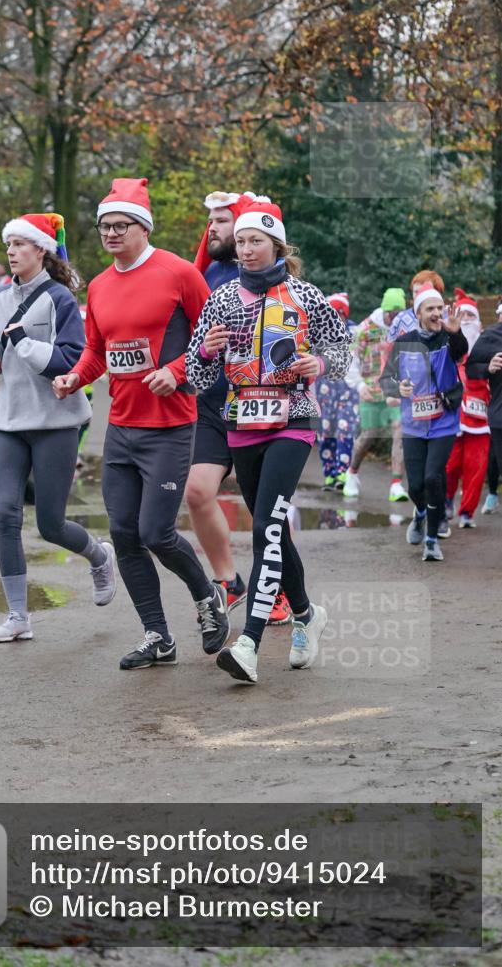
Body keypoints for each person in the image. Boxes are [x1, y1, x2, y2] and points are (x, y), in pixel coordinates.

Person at [53, 177, 230, 670]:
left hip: (171, 426)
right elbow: (97, 350)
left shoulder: (179, 273)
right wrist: (74, 377)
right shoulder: (100, 285)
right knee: (125, 533)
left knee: (156, 531)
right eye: (103, 226)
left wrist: (176, 372)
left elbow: (211, 336)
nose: (109, 233)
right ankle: (158, 635)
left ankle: (208, 598)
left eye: (119, 225)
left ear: (142, 228)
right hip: (123, 428)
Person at [186, 197, 352, 684]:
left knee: (264, 530)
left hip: (293, 420)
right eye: (240, 241)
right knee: (272, 528)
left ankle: (249, 643)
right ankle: (306, 613)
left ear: (276, 244)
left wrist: (318, 364)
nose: (246, 249)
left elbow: (341, 351)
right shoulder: (221, 300)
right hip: (241, 421)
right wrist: (207, 352)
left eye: (256, 240)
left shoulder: (305, 295)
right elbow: (195, 375)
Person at [0, 211, 116, 643]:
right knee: (5, 517)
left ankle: (99, 555)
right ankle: (18, 616)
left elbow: (73, 359)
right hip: (9, 422)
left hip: (56, 422)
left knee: (51, 524)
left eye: (20, 244)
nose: (11, 252)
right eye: (9, 244)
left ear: (41, 250)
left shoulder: (60, 300)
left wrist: (23, 342)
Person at [380, 283, 467, 561]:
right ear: (418, 312)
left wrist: (456, 333)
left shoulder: (447, 337)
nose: (437, 313)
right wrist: (398, 390)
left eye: (440, 308)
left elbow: (460, 352)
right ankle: (420, 514)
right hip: (414, 424)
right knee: (415, 486)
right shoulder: (404, 342)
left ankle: (431, 540)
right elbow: (386, 380)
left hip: (444, 420)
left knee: (432, 477)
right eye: (430, 308)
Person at [343, 288, 408, 502]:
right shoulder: (365, 328)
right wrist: (360, 385)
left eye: (401, 313)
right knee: (369, 435)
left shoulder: (405, 329)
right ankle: (352, 473)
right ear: (386, 311)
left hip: (395, 390)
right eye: (394, 314)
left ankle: (397, 484)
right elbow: (351, 359)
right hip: (371, 390)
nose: (397, 318)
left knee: (399, 431)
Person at [444, 292, 490, 527]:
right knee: (450, 464)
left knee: (476, 468)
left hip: (481, 420)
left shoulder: (490, 345)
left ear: (480, 323)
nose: (468, 320)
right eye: (464, 315)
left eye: (472, 315)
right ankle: (447, 499)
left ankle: (467, 513)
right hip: (453, 417)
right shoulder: (448, 344)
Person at [316, 292, 359, 491]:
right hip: (324, 392)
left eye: (339, 312)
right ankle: (330, 475)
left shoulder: (356, 332)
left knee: (345, 431)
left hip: (348, 391)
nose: (336, 316)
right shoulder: (318, 330)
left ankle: (342, 472)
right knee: (326, 432)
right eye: (332, 311)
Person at [466, 300, 502, 517]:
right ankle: (492, 493)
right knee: (494, 457)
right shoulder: (491, 336)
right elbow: (471, 368)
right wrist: (488, 367)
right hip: (499, 414)